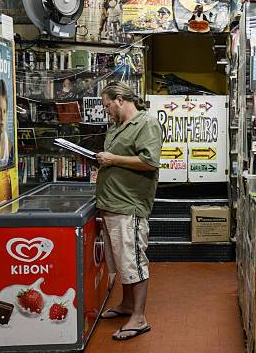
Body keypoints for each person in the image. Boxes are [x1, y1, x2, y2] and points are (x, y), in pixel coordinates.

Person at [96, 82, 162, 341]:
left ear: (120, 99)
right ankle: (126, 304)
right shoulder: (115, 128)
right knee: (122, 262)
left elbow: (150, 161)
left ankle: (139, 317)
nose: (107, 110)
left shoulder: (146, 124)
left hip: (129, 205)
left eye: (108, 105)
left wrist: (113, 159)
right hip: (111, 203)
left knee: (134, 261)